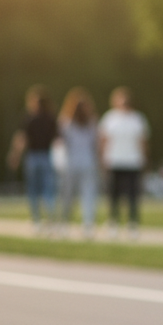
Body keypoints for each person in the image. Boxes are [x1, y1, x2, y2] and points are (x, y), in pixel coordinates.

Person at [98, 87, 150, 237]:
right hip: (114, 161)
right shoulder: (110, 119)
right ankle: (113, 223)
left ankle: (132, 224)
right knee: (113, 196)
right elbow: (103, 141)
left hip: (133, 162)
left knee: (133, 196)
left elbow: (143, 142)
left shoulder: (137, 119)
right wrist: (102, 159)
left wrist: (145, 159)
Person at [7, 85, 59, 233]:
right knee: (48, 190)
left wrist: (15, 155)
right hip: (46, 157)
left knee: (34, 190)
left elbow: (21, 139)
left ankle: (36, 220)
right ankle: (50, 218)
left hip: (34, 157)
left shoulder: (29, 118)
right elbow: (57, 140)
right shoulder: (50, 118)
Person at [58, 87, 99, 237]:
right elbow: (97, 145)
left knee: (67, 196)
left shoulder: (65, 122)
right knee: (88, 195)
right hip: (87, 162)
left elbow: (60, 144)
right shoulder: (92, 122)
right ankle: (87, 225)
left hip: (71, 163)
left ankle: (64, 224)